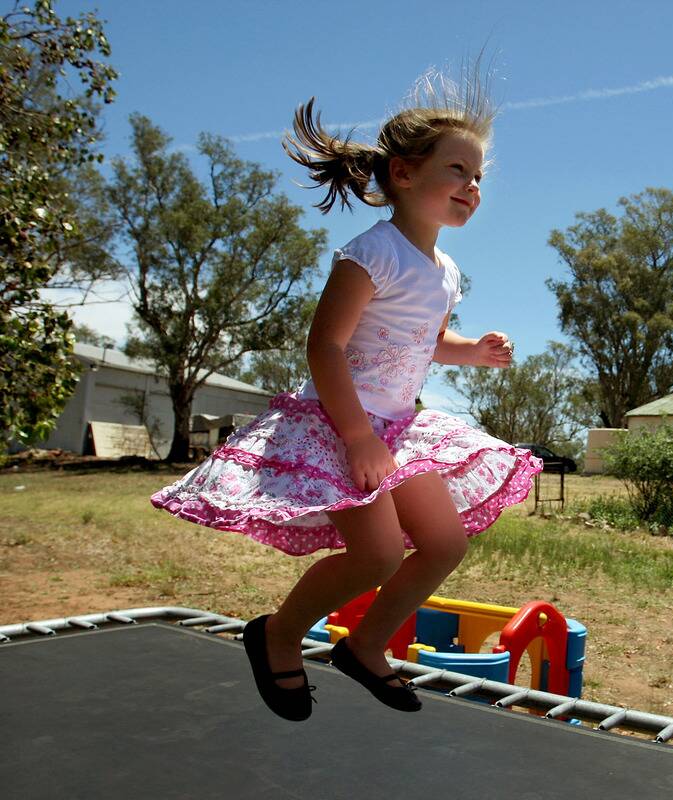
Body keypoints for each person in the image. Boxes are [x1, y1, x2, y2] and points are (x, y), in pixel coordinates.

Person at [151, 72, 542, 722]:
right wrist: (357, 438)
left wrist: (470, 351)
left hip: (398, 428)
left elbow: (425, 340)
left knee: (443, 544)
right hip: (341, 423)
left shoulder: (443, 273)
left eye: (477, 177)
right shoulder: (371, 253)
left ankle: (364, 646)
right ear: (405, 174)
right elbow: (325, 347)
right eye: (458, 171)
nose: (472, 188)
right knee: (380, 553)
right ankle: (278, 633)